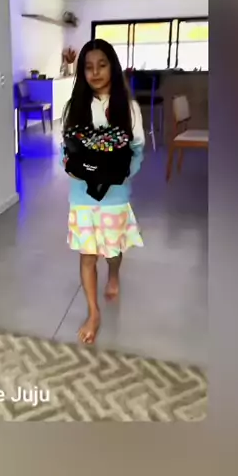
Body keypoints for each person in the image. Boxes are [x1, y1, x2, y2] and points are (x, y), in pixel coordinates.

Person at [62, 39, 145, 345]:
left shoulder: (129, 108)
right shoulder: (73, 107)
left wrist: (121, 175)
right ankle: (93, 313)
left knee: (112, 252)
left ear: (113, 67)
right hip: (81, 196)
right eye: (88, 67)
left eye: (102, 65)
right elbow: (66, 150)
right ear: (82, 72)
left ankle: (113, 274)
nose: (95, 72)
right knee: (88, 255)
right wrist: (70, 168)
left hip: (115, 196)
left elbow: (137, 150)